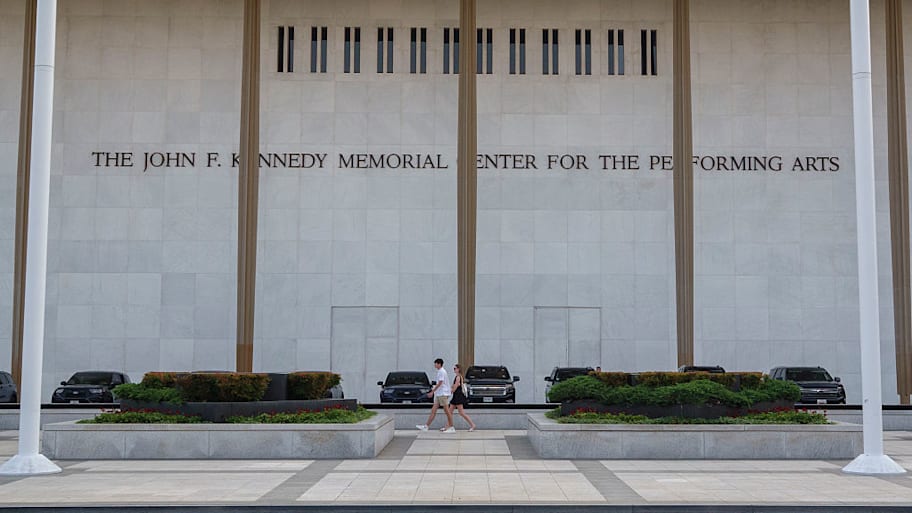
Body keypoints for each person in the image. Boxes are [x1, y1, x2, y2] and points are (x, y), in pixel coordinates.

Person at [416, 358, 454, 433]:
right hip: (439, 394)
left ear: (439, 364)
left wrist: (432, 392)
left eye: (436, 363)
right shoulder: (440, 371)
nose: (435, 365)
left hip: (443, 394)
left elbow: (440, 383)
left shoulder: (441, 372)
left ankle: (451, 427)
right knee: (433, 410)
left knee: (447, 411)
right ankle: (426, 426)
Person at [448, 363, 476, 432]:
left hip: (458, 396)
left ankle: (472, 425)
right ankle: (448, 426)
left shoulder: (458, 377)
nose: (454, 370)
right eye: (454, 369)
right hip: (455, 396)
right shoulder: (457, 376)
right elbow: (454, 385)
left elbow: (455, 386)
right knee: (449, 412)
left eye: (455, 368)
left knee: (461, 412)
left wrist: (450, 391)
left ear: (458, 369)